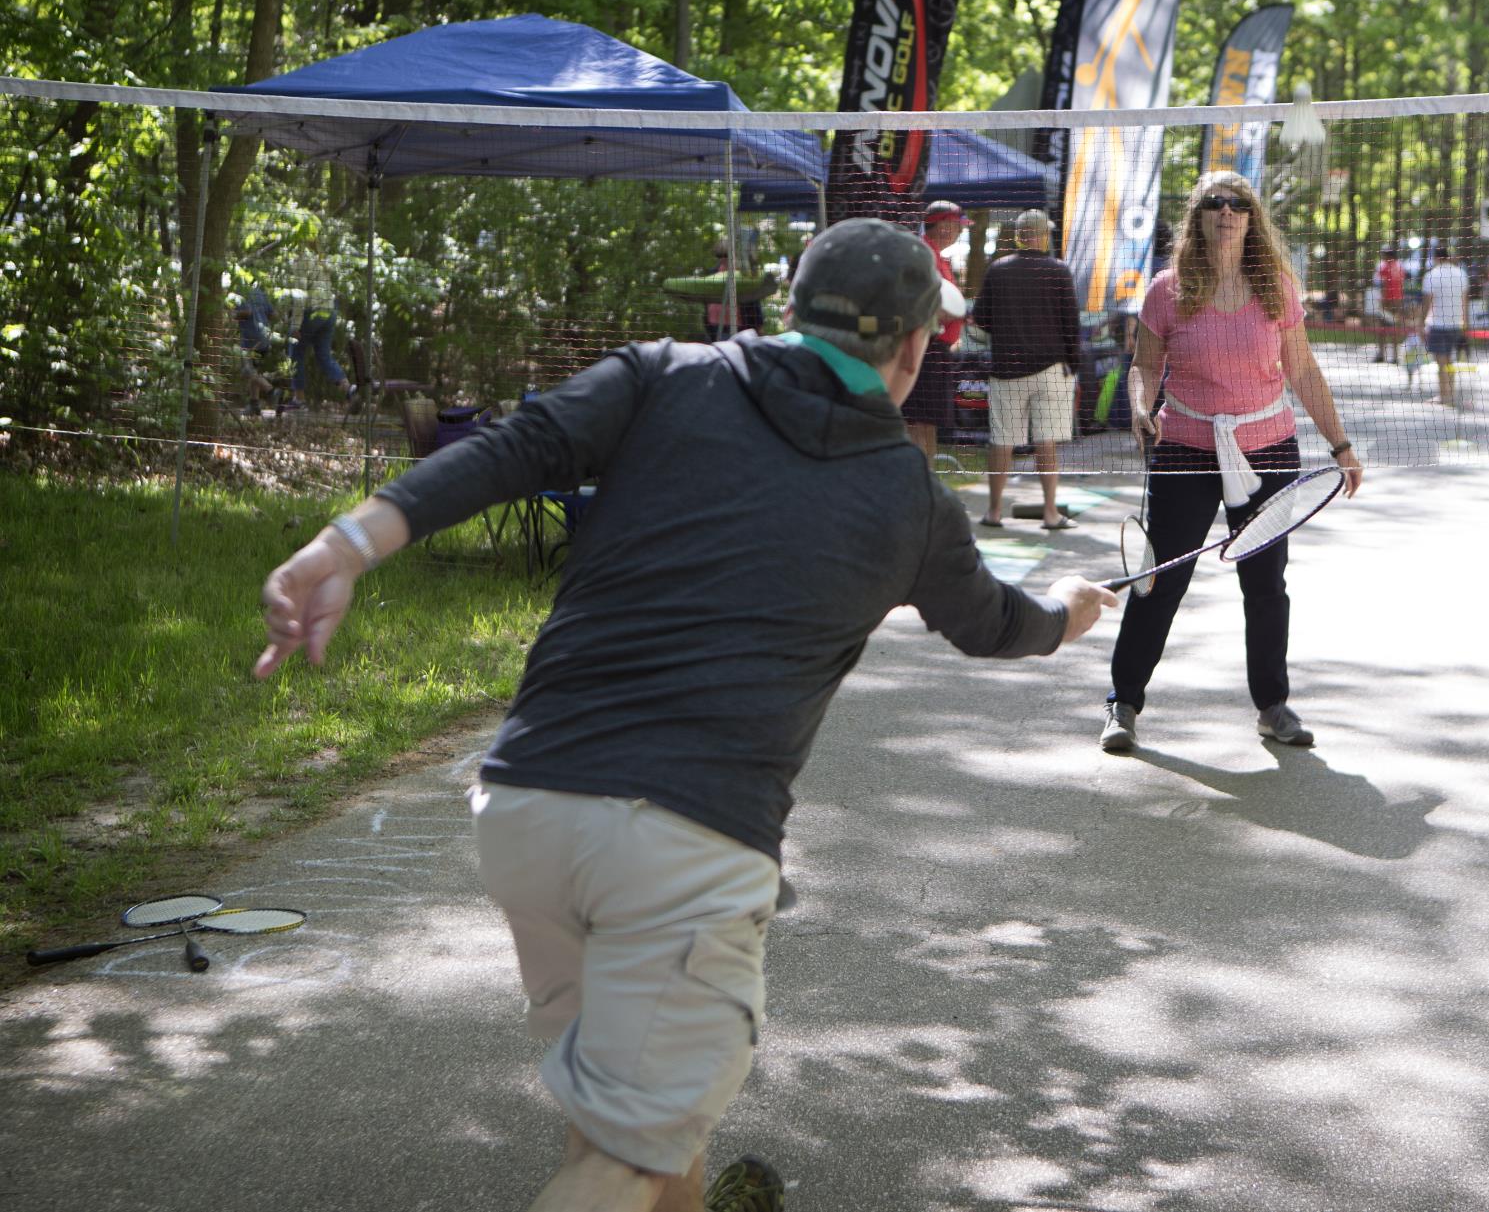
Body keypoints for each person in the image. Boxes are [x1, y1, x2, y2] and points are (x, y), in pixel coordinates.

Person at [253, 218, 1117, 1212]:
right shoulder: (912, 496)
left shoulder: (664, 373)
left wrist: (342, 547)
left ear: (786, 310)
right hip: (688, 851)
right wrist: (1071, 617)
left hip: (529, 812)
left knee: (636, 1128)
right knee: (620, 1160)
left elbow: (516, 448)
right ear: (918, 350)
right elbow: (994, 623)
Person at [1100, 171, 1364, 756]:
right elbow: (1144, 364)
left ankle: (1272, 706)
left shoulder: (1276, 288)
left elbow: (1302, 370)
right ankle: (1124, 702)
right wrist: (1142, 408)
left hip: (1267, 446)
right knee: (1161, 581)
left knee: (1266, 584)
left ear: (1252, 218)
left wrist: (1341, 446)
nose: (1227, 212)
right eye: (1215, 204)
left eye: (1238, 204)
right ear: (1198, 216)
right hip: (1186, 448)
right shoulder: (1167, 290)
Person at [972, 209, 1079, 530]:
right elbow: (1070, 324)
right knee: (1046, 442)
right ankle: (1049, 512)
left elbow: (981, 318)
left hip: (1007, 368)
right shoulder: (1058, 271)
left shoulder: (998, 271)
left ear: (1018, 235)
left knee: (1001, 440)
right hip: (1051, 369)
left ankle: (993, 512)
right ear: (1043, 235)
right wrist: (1074, 365)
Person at [899, 200, 969, 460]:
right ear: (942, 226)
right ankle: (919, 479)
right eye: (956, 226)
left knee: (928, 420)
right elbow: (919, 303)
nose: (960, 232)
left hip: (936, 350)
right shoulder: (923, 254)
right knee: (917, 419)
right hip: (924, 346)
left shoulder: (936, 255)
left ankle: (927, 478)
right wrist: (951, 313)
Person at [286, 270, 351, 410]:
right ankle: (348, 388)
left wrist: (295, 326)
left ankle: (299, 399)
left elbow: (299, 296)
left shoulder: (301, 261)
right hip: (330, 310)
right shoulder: (321, 260)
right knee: (324, 355)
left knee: (296, 353)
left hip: (312, 311)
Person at [1419, 244, 1470, 407]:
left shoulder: (1431, 275)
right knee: (1450, 362)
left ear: (1435, 258)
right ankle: (1451, 394)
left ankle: (1444, 396)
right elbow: (1465, 301)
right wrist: (1465, 322)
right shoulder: (1461, 274)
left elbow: (1426, 303)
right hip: (1456, 324)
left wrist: (1421, 323)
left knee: (1441, 363)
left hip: (1438, 325)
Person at [703, 240, 766, 342]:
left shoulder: (742, 274)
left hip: (733, 327)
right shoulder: (713, 274)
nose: (723, 259)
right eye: (720, 255)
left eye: (725, 255)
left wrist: (759, 327)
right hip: (719, 328)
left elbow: (753, 301)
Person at [233, 284, 278, 415]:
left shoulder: (240, 292)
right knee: (255, 371)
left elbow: (247, 312)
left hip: (251, 338)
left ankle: (271, 390)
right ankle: (254, 404)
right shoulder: (260, 292)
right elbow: (273, 313)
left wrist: (233, 314)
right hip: (264, 336)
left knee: (248, 370)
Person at [1372, 243, 1406, 364]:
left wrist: (1381, 301)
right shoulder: (1400, 266)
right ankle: (1396, 357)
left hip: (1386, 302)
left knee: (1382, 328)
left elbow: (1380, 284)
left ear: (1387, 254)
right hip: (1398, 301)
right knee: (1395, 328)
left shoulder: (1383, 267)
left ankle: (1381, 354)